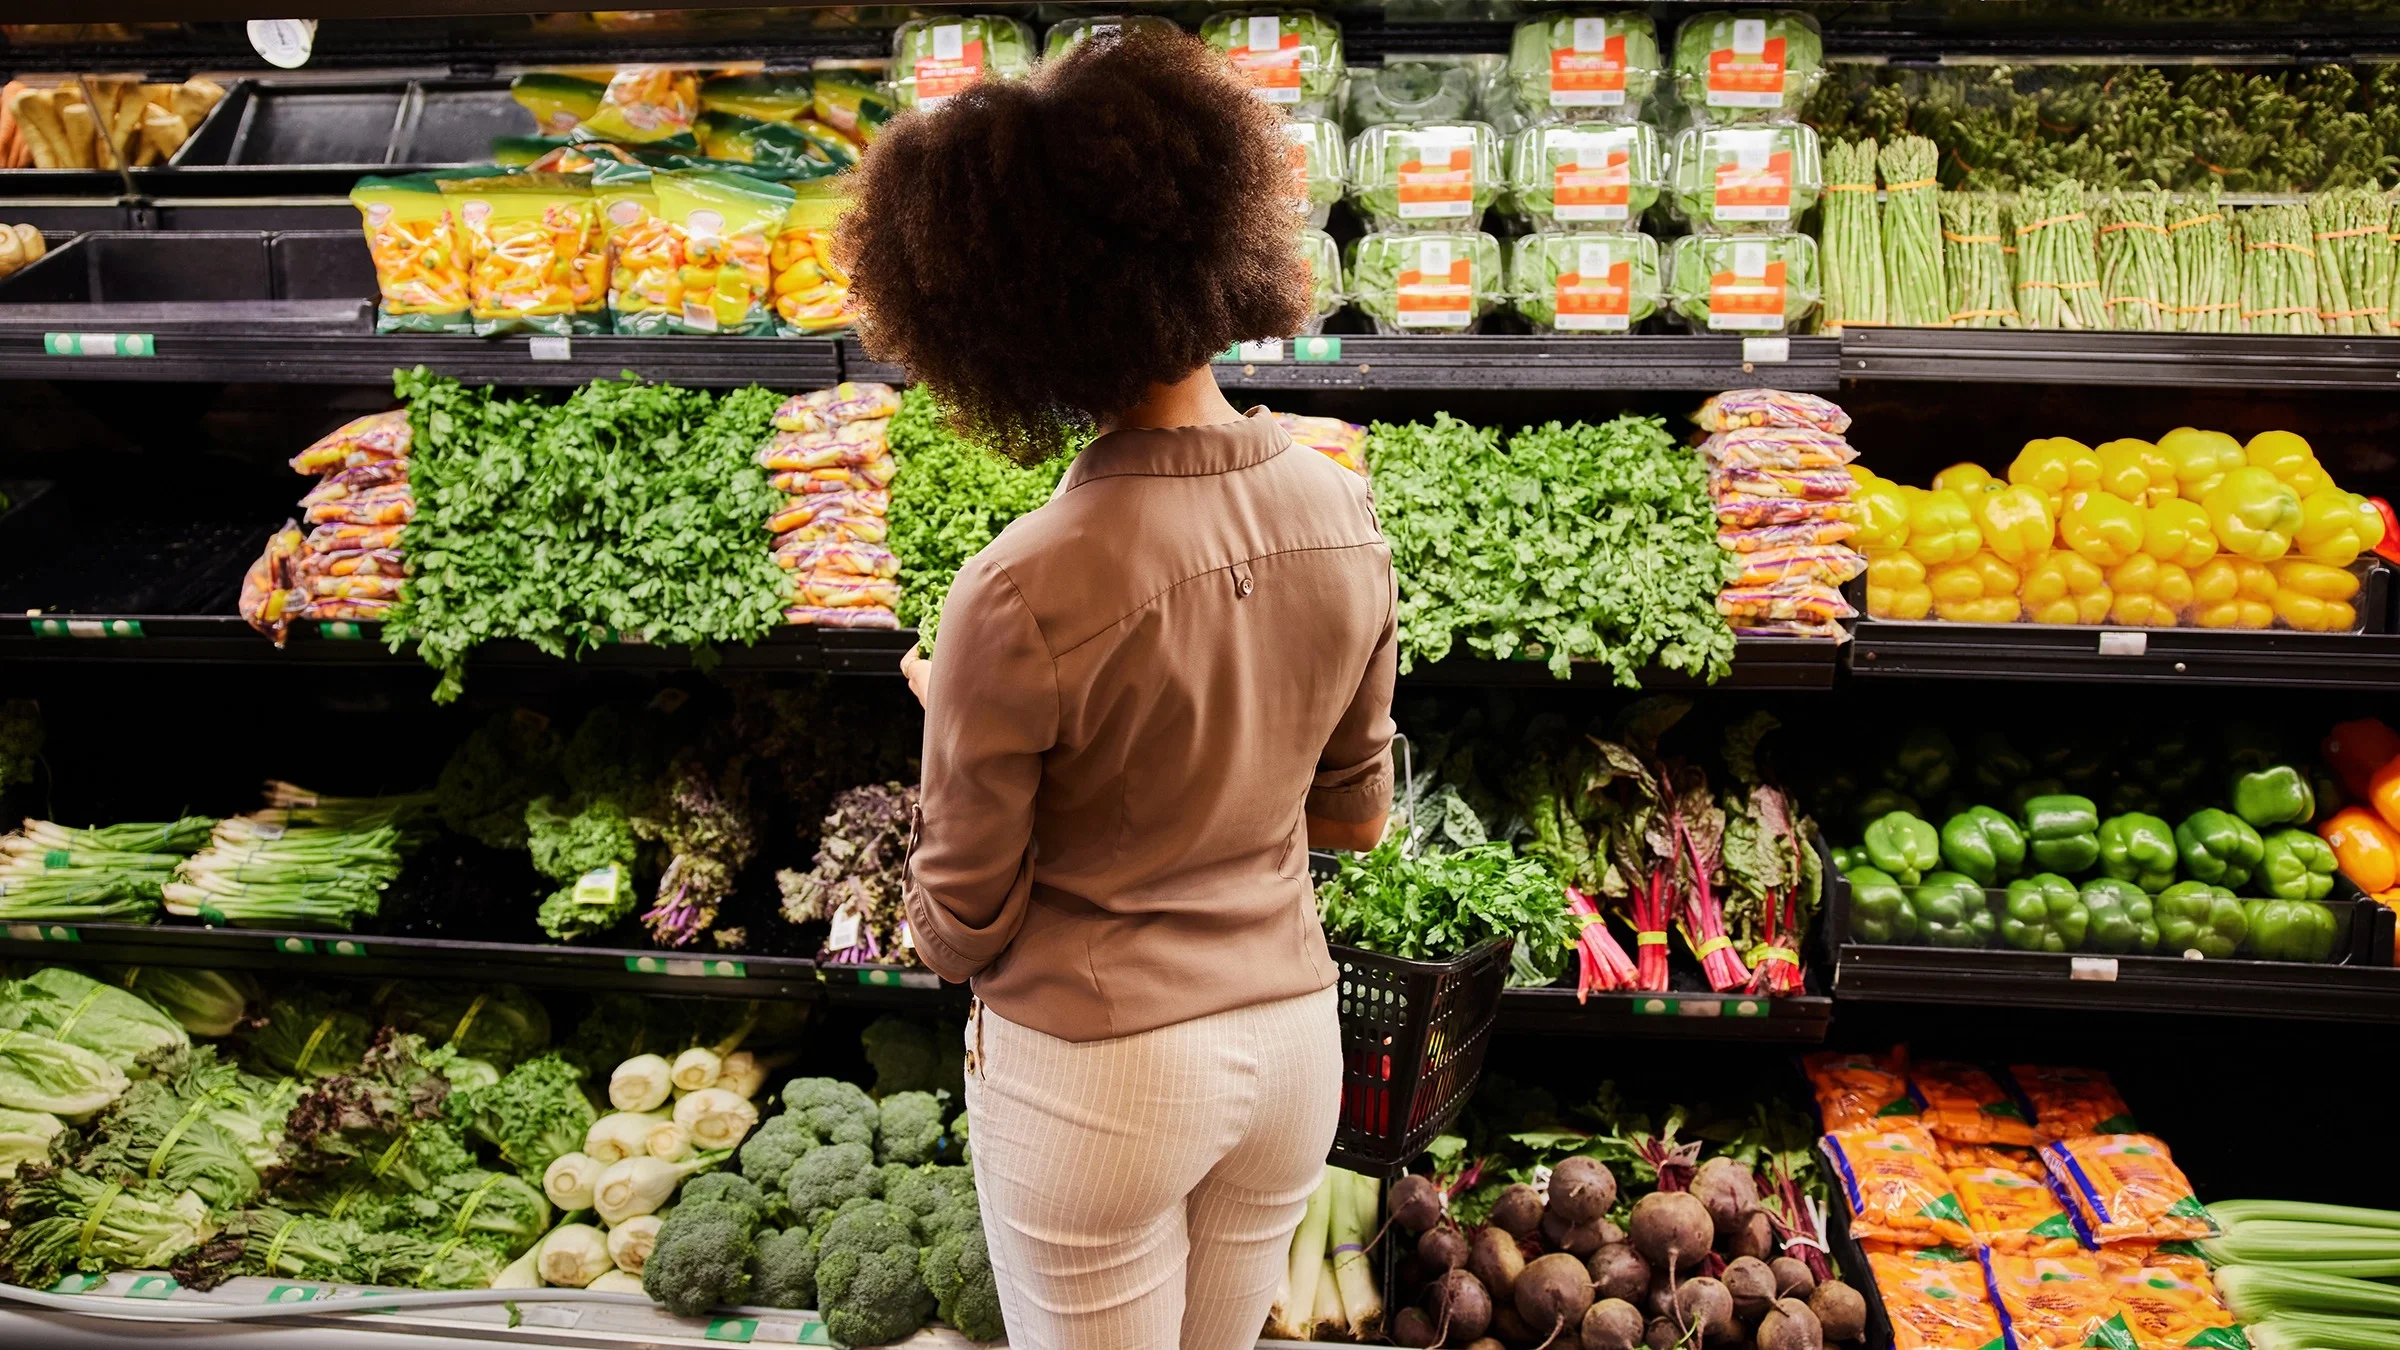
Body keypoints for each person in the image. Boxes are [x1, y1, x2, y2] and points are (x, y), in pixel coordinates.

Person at [838, 27, 1397, 1350]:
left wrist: (956, 720)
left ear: (1000, 314)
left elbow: (958, 930)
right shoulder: (1345, 513)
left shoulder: (1018, 590)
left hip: (1099, 1074)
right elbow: (1353, 819)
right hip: (1288, 1049)